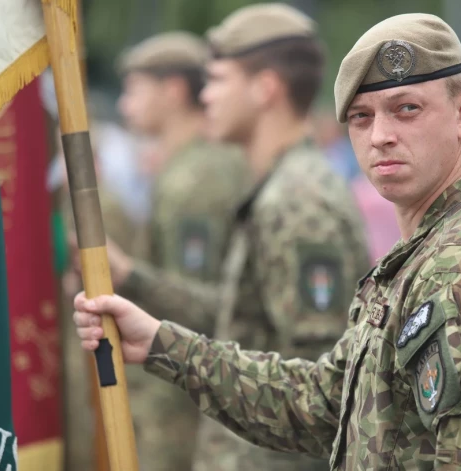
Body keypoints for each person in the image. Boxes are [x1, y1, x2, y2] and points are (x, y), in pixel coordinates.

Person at [73, 13, 461, 470]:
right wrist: (164, 344)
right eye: (361, 117)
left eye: (406, 109)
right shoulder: (431, 248)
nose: (380, 135)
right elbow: (324, 402)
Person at [102, 4, 369, 471]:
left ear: (265, 89)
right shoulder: (277, 188)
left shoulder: (299, 202)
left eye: (220, 80)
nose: (206, 97)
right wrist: (135, 284)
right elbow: (239, 319)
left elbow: (323, 392)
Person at [103, 32, 251, 470]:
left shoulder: (197, 179)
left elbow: (201, 301)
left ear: (173, 91)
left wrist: (128, 273)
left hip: (184, 402)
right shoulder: (184, 166)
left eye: (136, 89)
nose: (126, 104)